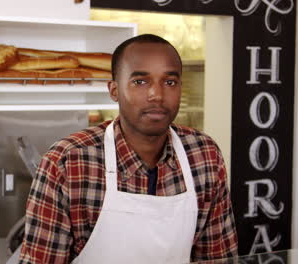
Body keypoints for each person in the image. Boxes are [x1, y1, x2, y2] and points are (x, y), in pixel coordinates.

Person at [18, 34, 238, 264]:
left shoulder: (204, 155)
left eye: (170, 82)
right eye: (140, 82)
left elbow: (218, 258)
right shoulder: (68, 162)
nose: (157, 95)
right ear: (113, 90)